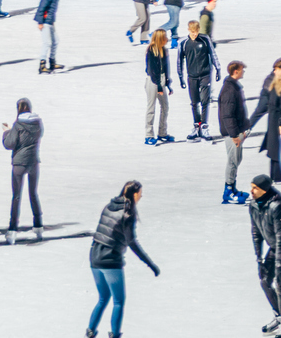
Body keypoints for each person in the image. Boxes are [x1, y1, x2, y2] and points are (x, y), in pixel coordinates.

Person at [87, 180, 160, 338]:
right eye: (140, 192)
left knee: (103, 297)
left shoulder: (109, 206)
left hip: (94, 256)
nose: (142, 195)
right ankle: (114, 335)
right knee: (118, 301)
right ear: (134, 194)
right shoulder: (128, 213)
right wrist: (150, 264)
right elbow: (131, 242)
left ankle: (90, 332)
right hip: (110, 260)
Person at [247, 174, 281, 334]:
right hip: (276, 245)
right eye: (252, 186)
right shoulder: (254, 205)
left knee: (279, 283)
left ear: (264, 190)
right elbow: (256, 231)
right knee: (264, 281)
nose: (251, 191)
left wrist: (278, 263)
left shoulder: (278, 206)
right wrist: (259, 258)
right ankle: (278, 317)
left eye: (255, 188)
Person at [3, 97, 43, 237]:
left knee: (17, 196)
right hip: (33, 162)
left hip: (19, 163)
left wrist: (6, 132)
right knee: (33, 194)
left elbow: (9, 144)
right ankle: (38, 224)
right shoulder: (38, 123)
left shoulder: (18, 125)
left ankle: (13, 227)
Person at [218, 60, 251, 204]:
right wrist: (234, 135)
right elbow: (227, 115)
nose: (244, 71)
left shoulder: (234, 87)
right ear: (235, 71)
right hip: (232, 134)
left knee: (236, 160)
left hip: (237, 131)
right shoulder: (229, 90)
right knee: (232, 161)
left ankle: (232, 188)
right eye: (242, 69)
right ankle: (228, 191)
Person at [141, 30, 173, 144]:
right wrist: (159, 86)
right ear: (160, 38)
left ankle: (162, 133)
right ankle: (148, 135)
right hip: (153, 82)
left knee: (165, 107)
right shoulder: (151, 50)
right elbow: (152, 70)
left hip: (161, 82)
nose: (167, 39)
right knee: (151, 108)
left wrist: (168, 84)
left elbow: (166, 69)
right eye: (165, 37)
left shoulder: (164, 50)